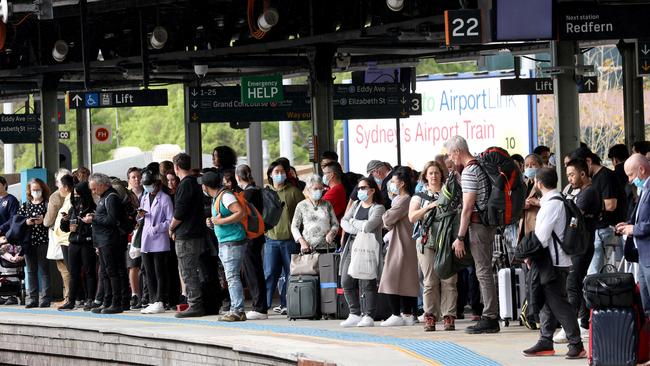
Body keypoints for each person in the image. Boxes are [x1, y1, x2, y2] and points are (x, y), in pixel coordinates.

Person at [522, 168, 586, 359]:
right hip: (556, 261)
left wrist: (527, 254)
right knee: (548, 304)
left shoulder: (551, 205)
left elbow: (541, 238)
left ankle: (576, 343)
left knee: (558, 303)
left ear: (538, 183)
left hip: (552, 263)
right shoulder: (557, 201)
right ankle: (545, 341)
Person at [445, 135, 500, 334]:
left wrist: (459, 238)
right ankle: (490, 313)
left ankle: (490, 316)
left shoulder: (469, 171)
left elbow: (467, 208)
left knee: (483, 270)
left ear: (458, 151)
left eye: (451, 154)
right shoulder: (479, 165)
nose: (451, 158)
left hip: (478, 225)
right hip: (487, 223)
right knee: (483, 270)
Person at [551, 159, 600, 342]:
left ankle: (572, 325)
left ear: (582, 173)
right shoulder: (576, 192)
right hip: (578, 244)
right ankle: (582, 322)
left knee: (573, 283)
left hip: (583, 244)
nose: (569, 179)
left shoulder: (589, 193)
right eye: (567, 175)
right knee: (575, 283)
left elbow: (572, 214)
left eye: (572, 175)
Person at [408, 161, 457, 332]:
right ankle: (430, 316)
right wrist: (428, 207)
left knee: (449, 280)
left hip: (448, 241)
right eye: (430, 173)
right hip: (426, 240)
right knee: (430, 281)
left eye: (437, 172)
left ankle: (449, 316)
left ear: (441, 175)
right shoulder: (419, 196)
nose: (434, 176)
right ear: (425, 176)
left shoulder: (450, 193)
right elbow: (412, 217)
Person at [200, 171, 248, 322]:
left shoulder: (225, 196)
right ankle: (236, 309)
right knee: (231, 276)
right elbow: (224, 217)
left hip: (232, 242)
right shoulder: (218, 197)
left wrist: (219, 222)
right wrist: (213, 223)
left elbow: (240, 212)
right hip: (227, 241)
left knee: (232, 277)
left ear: (206, 186)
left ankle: (238, 310)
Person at [339, 177, 385, 327]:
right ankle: (354, 312)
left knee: (367, 282)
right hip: (352, 246)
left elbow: (369, 226)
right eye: (359, 188)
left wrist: (352, 222)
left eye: (363, 188)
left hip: (367, 248)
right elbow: (343, 221)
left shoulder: (378, 208)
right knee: (346, 280)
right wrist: (355, 225)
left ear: (372, 190)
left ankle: (369, 315)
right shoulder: (357, 205)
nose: (360, 191)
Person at [571, 147, 626, 274]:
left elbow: (611, 204)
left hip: (605, 229)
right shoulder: (594, 178)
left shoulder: (606, 176)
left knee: (594, 272)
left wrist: (590, 206)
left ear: (589, 161)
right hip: (595, 229)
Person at [378, 166, 419, 327]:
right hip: (403, 241)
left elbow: (387, 219)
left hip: (400, 242)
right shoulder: (406, 199)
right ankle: (407, 313)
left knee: (391, 277)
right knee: (404, 278)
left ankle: (396, 313)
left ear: (401, 183)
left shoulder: (404, 200)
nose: (392, 185)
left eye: (394, 182)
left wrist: (385, 215)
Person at [169, 153, 207, 318]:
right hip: (197, 233)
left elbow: (180, 212)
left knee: (187, 270)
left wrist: (171, 228)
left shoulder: (184, 185)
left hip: (186, 235)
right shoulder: (195, 183)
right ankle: (199, 302)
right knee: (196, 269)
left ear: (176, 167)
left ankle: (194, 304)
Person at [264, 160, 304, 315]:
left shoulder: (294, 192)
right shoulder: (265, 193)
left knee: (290, 273)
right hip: (271, 240)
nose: (280, 174)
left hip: (289, 240)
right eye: (276, 172)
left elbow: (303, 214)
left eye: (282, 172)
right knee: (269, 273)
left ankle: (287, 303)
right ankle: (264, 305)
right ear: (270, 174)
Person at [616, 154, 650, 316]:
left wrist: (633, 230)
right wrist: (629, 224)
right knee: (646, 303)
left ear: (641, 169)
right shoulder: (644, 189)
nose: (630, 180)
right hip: (643, 256)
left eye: (631, 174)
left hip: (648, 253)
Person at [86, 173, 125, 314]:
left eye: (94, 188)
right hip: (102, 240)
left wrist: (95, 218)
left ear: (102, 185)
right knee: (105, 273)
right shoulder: (103, 197)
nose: (93, 192)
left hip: (110, 240)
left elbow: (112, 220)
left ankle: (116, 302)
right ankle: (107, 301)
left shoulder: (111, 197)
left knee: (112, 271)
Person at [136, 170, 173, 314]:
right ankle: (152, 300)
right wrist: (140, 216)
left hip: (159, 239)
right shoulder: (144, 197)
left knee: (160, 271)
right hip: (146, 238)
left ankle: (160, 300)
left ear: (156, 184)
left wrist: (157, 228)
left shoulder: (165, 199)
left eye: (149, 185)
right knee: (148, 271)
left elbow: (170, 220)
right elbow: (142, 217)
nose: (147, 188)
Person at [235, 164, 268, 320]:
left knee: (253, 271)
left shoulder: (247, 194)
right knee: (256, 269)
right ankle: (260, 306)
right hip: (258, 235)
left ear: (238, 177)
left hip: (250, 237)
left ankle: (259, 307)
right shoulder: (257, 191)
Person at [59, 181, 97, 311]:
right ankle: (71, 300)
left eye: (78, 195)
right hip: (73, 243)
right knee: (73, 273)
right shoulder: (73, 208)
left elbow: (95, 228)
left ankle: (90, 298)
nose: (76, 197)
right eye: (74, 195)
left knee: (89, 272)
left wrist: (83, 226)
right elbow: (64, 228)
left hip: (86, 243)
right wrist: (65, 221)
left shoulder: (92, 208)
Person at [20, 178, 51, 308]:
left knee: (44, 270)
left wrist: (43, 221)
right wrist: (27, 222)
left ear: (42, 189)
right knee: (31, 271)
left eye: (38, 189)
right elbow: (18, 221)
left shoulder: (47, 204)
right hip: (29, 241)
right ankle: (32, 298)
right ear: (29, 191)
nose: (36, 192)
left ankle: (45, 298)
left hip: (43, 240)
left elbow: (52, 220)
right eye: (33, 190)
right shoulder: (26, 205)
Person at [291, 175, 339, 253]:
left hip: (327, 247)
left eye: (321, 188)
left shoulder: (327, 204)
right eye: (315, 188)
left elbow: (335, 224)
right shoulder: (301, 205)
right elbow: (294, 227)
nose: (319, 191)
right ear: (308, 189)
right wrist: (302, 242)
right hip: (309, 248)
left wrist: (331, 233)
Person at [52, 175, 74, 309]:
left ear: (65, 187)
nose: (58, 187)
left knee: (69, 271)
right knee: (68, 270)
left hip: (67, 240)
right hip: (63, 240)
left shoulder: (71, 200)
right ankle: (68, 298)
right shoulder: (67, 199)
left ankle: (69, 298)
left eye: (59, 184)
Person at [521, 154, 543, 237]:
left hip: (537, 225)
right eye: (527, 165)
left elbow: (550, 203)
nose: (529, 167)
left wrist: (536, 202)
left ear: (540, 166)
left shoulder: (543, 184)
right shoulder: (524, 184)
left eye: (533, 165)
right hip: (523, 224)